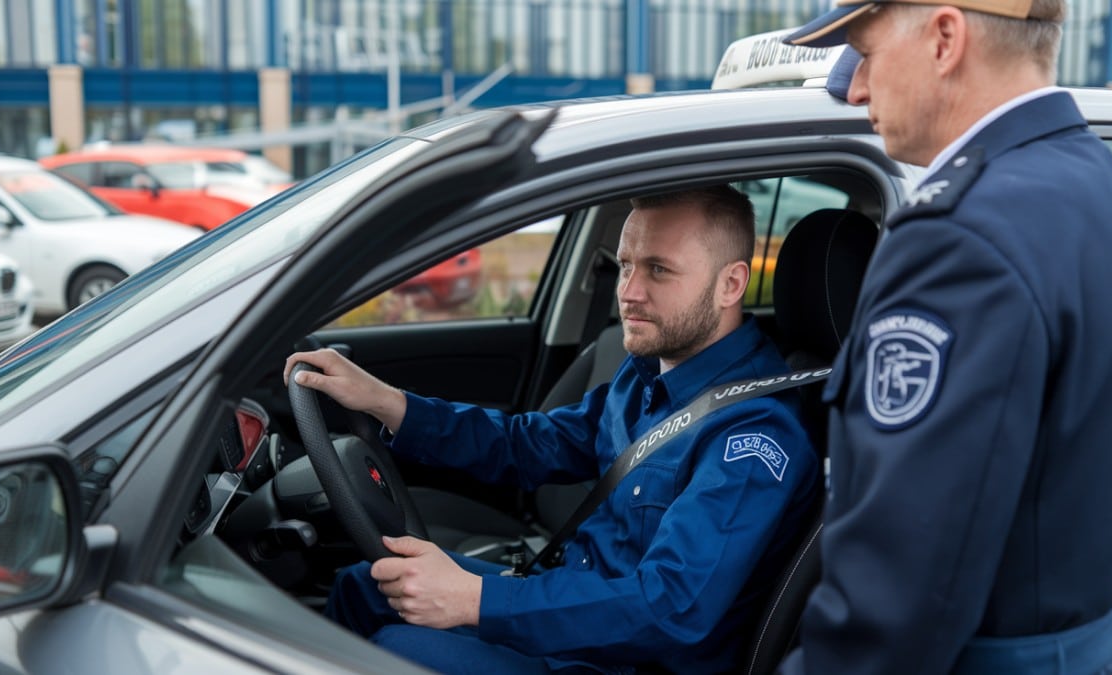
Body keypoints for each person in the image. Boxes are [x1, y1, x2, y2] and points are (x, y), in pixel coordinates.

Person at [776, 1, 1112, 674]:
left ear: (945, 39)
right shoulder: (1091, 178)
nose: (856, 88)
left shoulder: (960, 239)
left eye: (866, 52)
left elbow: (894, 604)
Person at [284, 185, 820, 674]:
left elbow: (668, 608)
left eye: (659, 270)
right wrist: (388, 403)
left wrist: (473, 600)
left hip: (627, 660)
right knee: (365, 584)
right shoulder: (648, 376)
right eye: (625, 263)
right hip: (573, 606)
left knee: (399, 650)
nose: (628, 292)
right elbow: (527, 445)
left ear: (731, 284)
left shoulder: (754, 437)